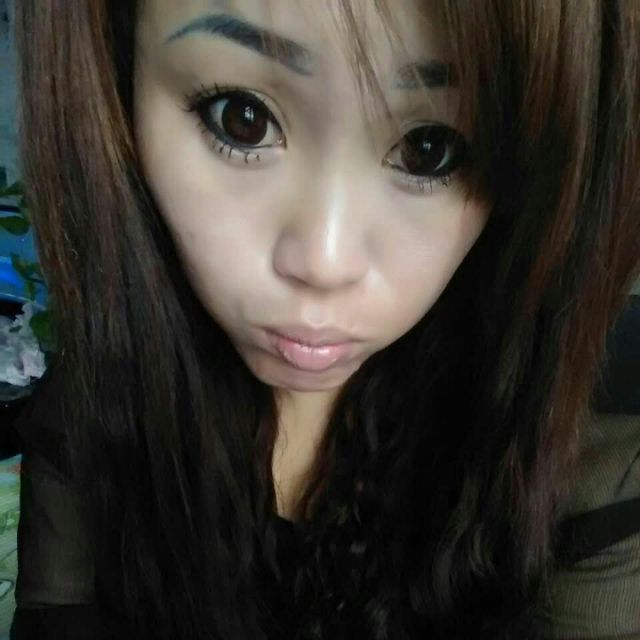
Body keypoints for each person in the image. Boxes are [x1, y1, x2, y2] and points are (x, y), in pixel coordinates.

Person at [8, 0, 640, 638]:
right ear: (118, 85)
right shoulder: (93, 420)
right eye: (242, 119)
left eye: (429, 150)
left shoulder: (593, 498)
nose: (325, 261)